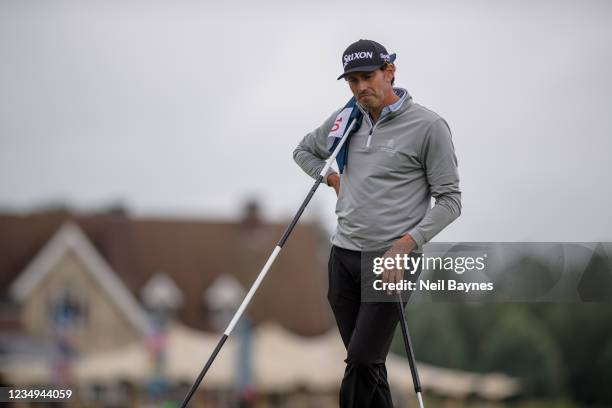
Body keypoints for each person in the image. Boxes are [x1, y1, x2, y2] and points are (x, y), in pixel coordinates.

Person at [293, 39, 462, 407]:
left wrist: (406, 244)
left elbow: (451, 201)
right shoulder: (346, 119)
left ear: (389, 72)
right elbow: (304, 151)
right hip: (343, 256)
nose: (360, 88)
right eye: (352, 81)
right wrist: (331, 179)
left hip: (392, 259)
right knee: (369, 366)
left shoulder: (428, 126)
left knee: (361, 359)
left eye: (367, 77)